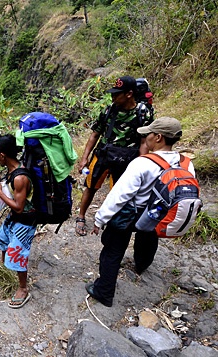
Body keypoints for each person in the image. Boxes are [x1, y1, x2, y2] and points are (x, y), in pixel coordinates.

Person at [86, 117, 192, 307]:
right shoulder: (186, 163)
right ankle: (141, 265)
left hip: (132, 212)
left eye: (148, 135)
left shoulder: (142, 163)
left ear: (158, 137)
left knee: (112, 251)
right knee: (148, 239)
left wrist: (99, 219)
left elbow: (119, 196)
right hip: (158, 213)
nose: (146, 138)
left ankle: (104, 291)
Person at [75, 75, 153, 236]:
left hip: (127, 157)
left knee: (120, 191)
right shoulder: (109, 110)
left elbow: (145, 141)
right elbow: (95, 134)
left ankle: (111, 221)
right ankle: (81, 216)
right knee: (91, 186)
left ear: (129, 94)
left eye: (117, 94)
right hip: (104, 153)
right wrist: (84, 158)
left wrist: (142, 163)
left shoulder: (143, 113)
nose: (113, 97)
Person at [0, 134, 37, 309]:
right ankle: (5, 264)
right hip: (15, 217)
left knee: (18, 253)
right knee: (2, 240)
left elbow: (18, 206)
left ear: (2, 155)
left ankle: (23, 288)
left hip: (24, 221)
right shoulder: (11, 171)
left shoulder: (20, 177)